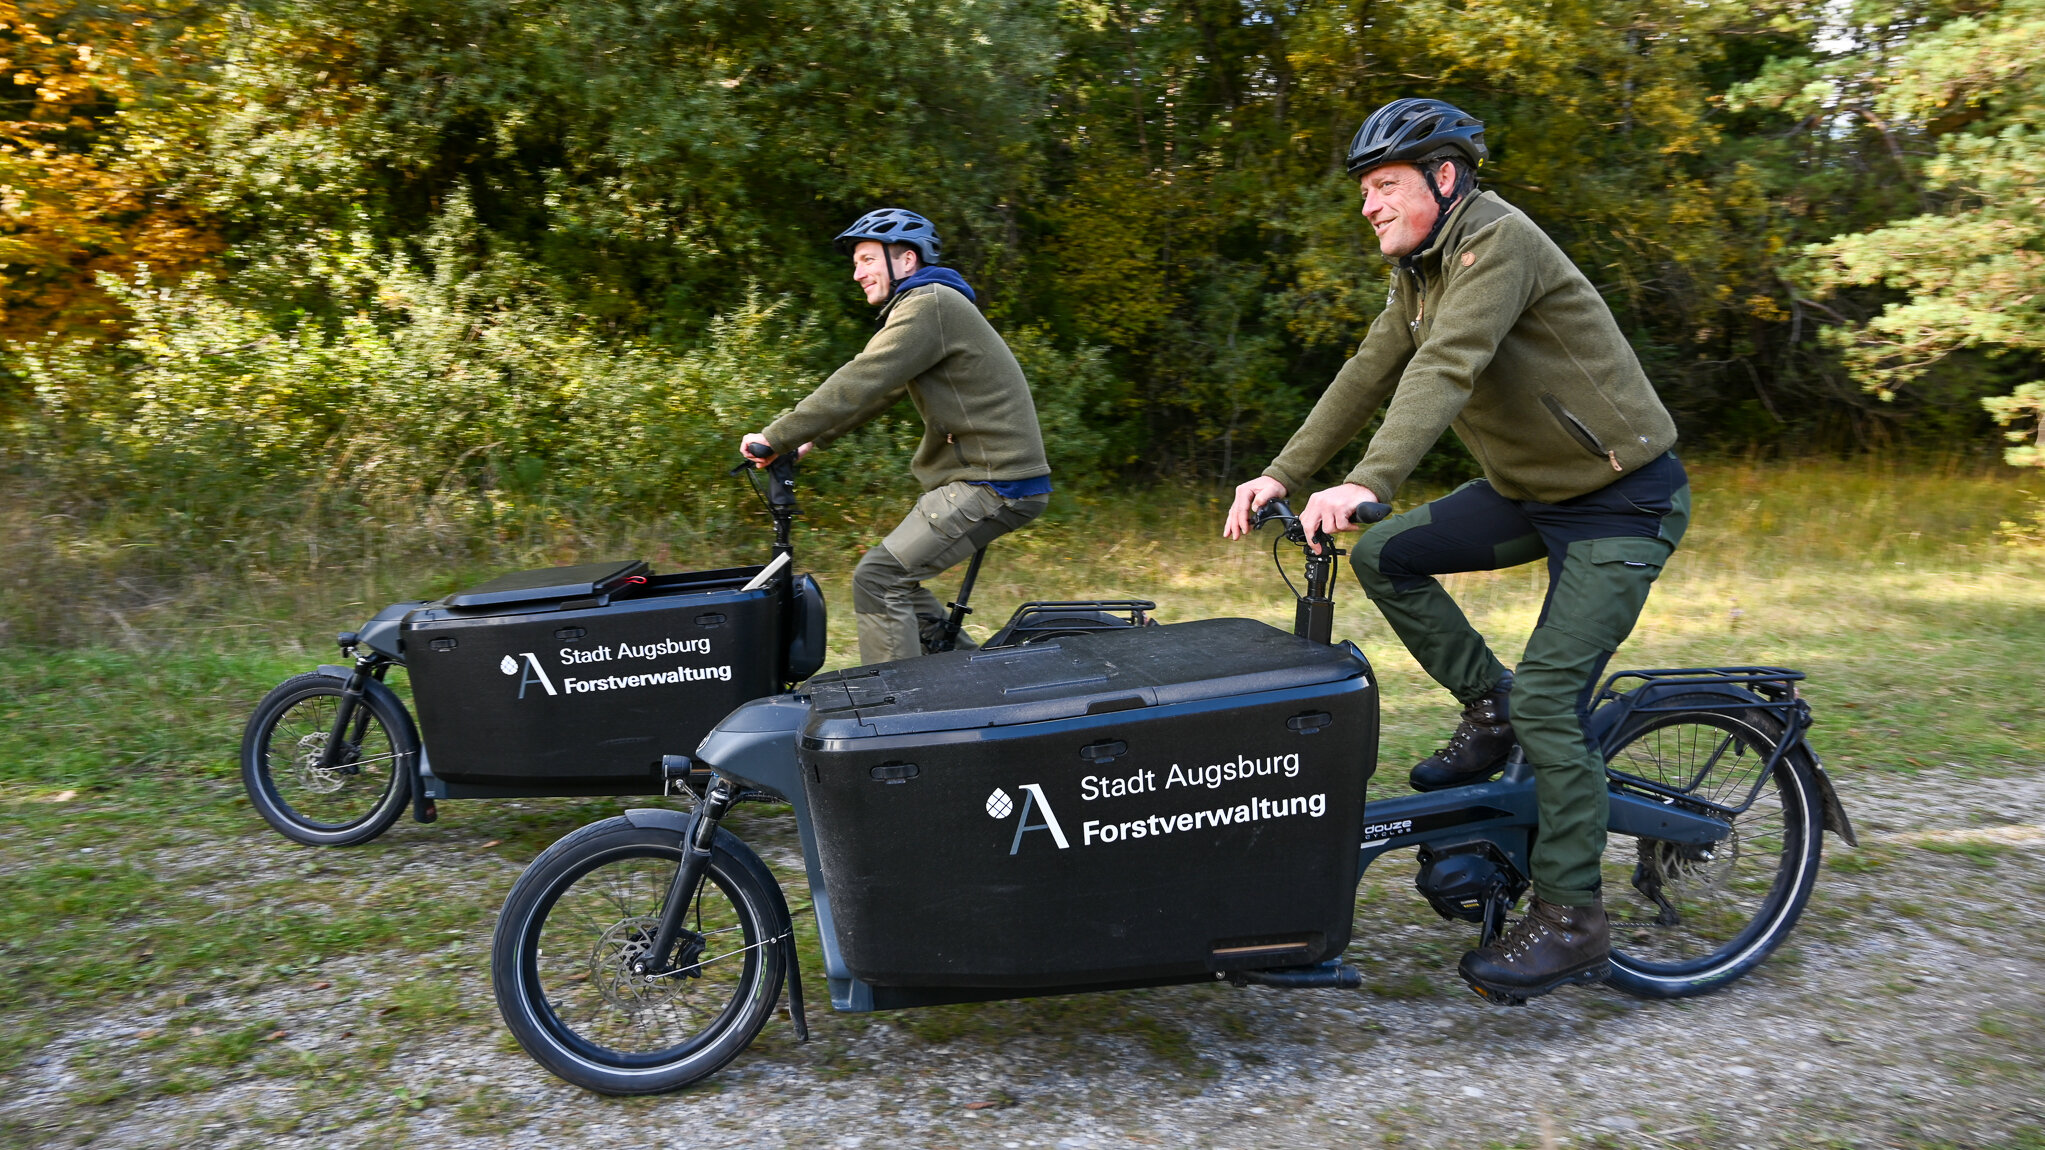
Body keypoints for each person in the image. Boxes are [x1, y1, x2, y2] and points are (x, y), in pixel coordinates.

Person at [1222, 98, 1689, 1004]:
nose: (1368, 205)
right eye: (1363, 190)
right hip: (1531, 493)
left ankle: (1571, 919)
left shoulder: (1497, 243)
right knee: (1385, 556)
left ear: (1446, 177)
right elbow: (1368, 370)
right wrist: (1282, 472)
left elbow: (1447, 367)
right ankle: (1490, 704)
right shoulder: (1420, 271)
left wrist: (1370, 480)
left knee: (1556, 701)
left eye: (1385, 185)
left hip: (1618, 503)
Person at [742, 208, 1051, 666]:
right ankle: (971, 682)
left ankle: (896, 713)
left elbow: (863, 377)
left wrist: (776, 435)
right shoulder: (930, 305)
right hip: (989, 480)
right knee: (895, 582)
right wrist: (811, 439)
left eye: (867, 259)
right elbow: (882, 390)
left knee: (879, 580)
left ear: (906, 260)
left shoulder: (930, 304)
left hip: (995, 482)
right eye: (856, 263)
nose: (857, 273)